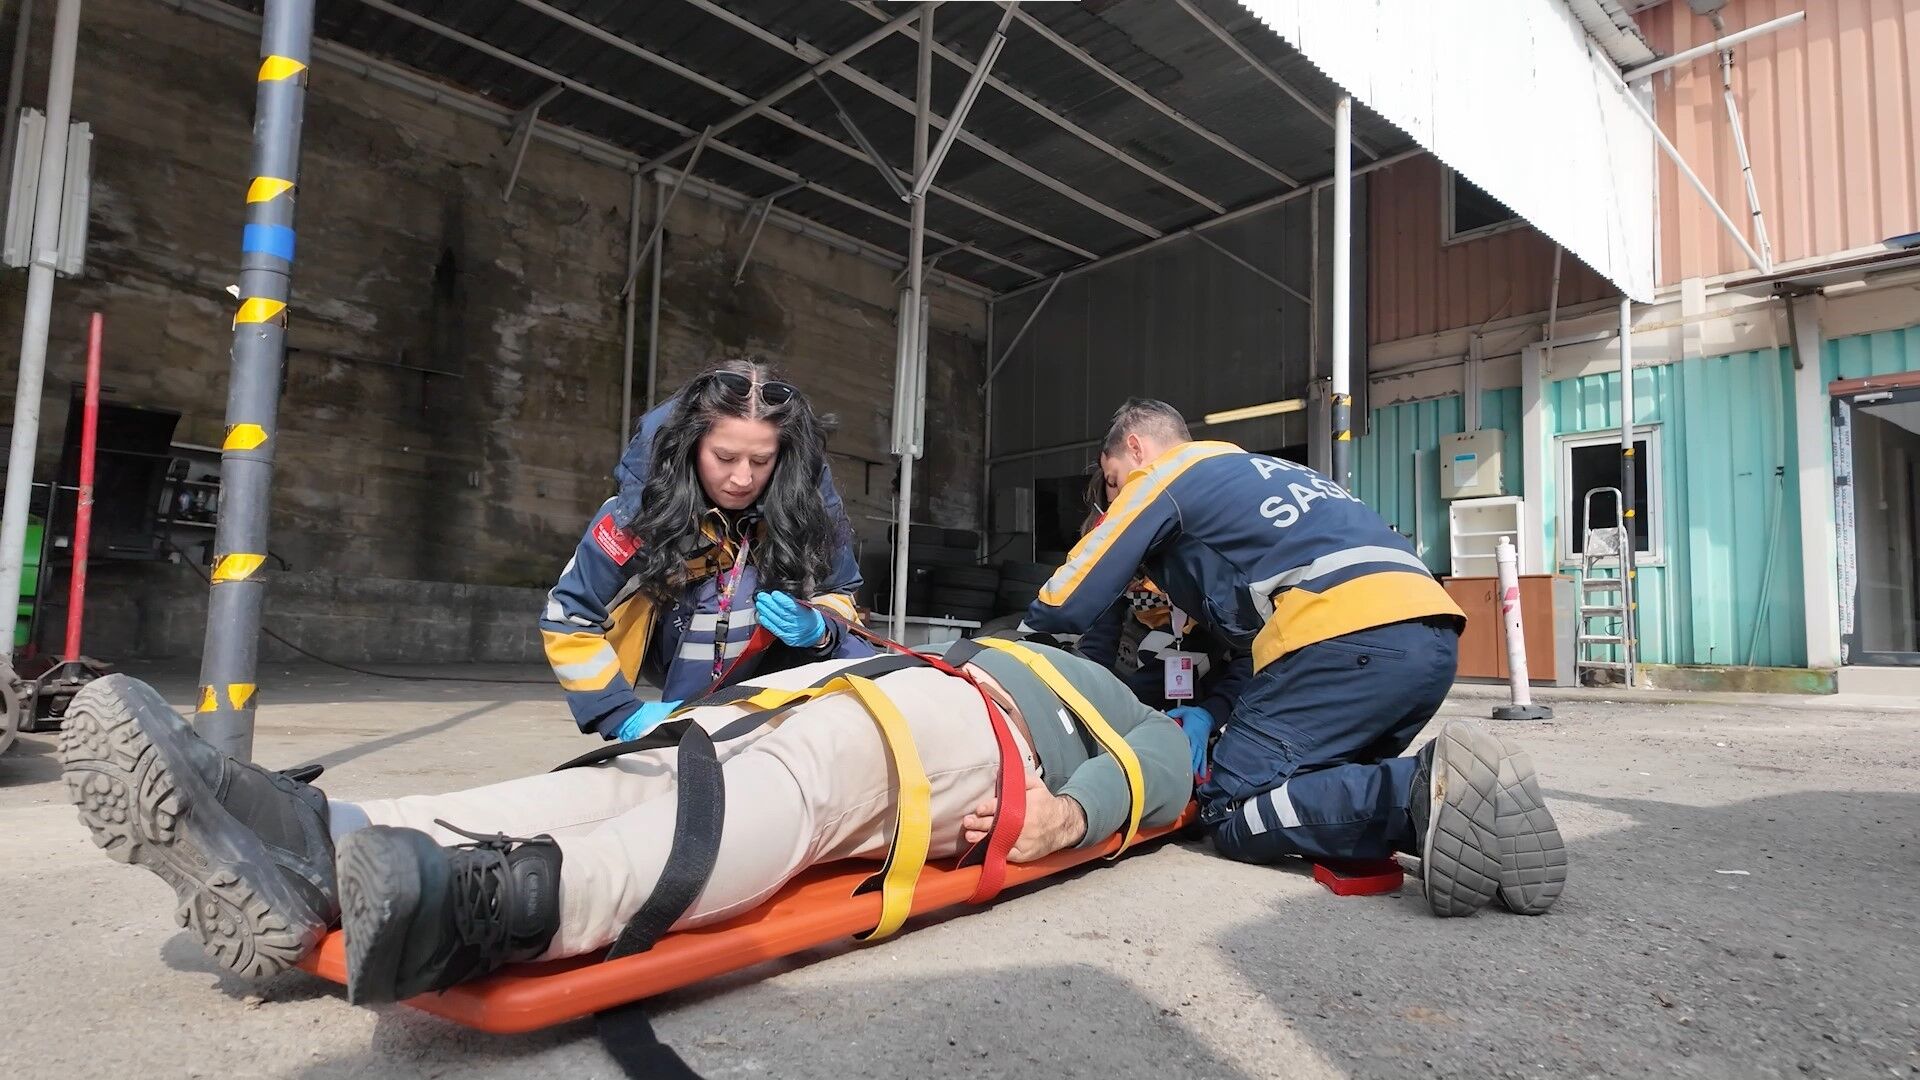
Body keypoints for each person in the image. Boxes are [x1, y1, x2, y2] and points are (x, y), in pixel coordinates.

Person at [57, 636, 1194, 1002]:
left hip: (965, 732)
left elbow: (1169, 766)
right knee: (624, 779)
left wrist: (1070, 813)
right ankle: (320, 834)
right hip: (862, 684)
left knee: (800, 785)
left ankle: (502, 906)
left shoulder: (1139, 707)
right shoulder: (1021, 641)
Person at [1023, 398, 1567, 918]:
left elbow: (1071, 594)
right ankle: (1482, 817)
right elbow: (1249, 648)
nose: (1117, 497)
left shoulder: (1166, 477)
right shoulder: (1266, 477)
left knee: (1231, 808)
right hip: (1431, 637)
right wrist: (1212, 712)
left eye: (1113, 479)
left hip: (1345, 637)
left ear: (1137, 449)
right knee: (1317, 782)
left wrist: (1013, 655)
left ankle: (1416, 794)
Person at [542, 359, 873, 743]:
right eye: (725, 457)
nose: (743, 478)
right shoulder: (634, 514)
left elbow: (841, 592)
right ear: (691, 445)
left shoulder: (808, 510)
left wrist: (820, 630)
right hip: (673, 645)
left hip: (776, 664)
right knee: (736, 585)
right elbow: (567, 616)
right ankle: (689, 730)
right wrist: (619, 712)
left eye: (762, 461)